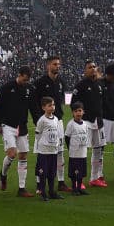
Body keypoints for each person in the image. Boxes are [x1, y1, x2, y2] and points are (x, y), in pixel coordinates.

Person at [0, 66, 35, 198]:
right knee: (12, 154)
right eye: (24, 79)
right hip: (8, 125)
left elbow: (32, 108)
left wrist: (37, 121)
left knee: (23, 156)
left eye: (27, 80)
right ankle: (3, 174)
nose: (25, 82)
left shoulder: (30, 89)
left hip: (22, 126)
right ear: (19, 75)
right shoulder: (7, 87)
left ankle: (21, 188)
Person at [31, 56, 68, 191]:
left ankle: (61, 181)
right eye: (54, 64)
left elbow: (60, 101)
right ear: (48, 66)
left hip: (58, 121)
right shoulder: (40, 82)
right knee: (41, 153)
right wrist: (38, 119)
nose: (57, 66)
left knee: (60, 151)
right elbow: (34, 103)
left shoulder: (61, 82)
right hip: (44, 122)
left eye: (58, 64)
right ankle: (39, 184)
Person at [71, 61, 104, 186]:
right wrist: (79, 119)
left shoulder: (99, 85)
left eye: (94, 67)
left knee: (98, 150)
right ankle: (78, 180)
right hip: (85, 122)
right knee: (81, 150)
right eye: (90, 67)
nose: (93, 69)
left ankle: (94, 178)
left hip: (98, 122)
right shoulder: (80, 85)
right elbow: (74, 103)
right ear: (85, 70)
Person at [34, 96, 64, 201]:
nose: (52, 107)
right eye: (49, 105)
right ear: (43, 108)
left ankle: (52, 191)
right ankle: (43, 192)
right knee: (43, 172)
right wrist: (43, 144)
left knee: (52, 173)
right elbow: (37, 134)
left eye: (53, 105)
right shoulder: (42, 120)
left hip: (53, 150)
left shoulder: (55, 119)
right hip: (44, 151)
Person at [99, 64, 114, 185]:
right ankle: (99, 174)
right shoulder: (100, 84)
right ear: (108, 74)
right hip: (103, 120)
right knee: (100, 147)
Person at [64, 102, 91, 195]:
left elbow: (86, 136)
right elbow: (67, 137)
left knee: (81, 172)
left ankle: (79, 187)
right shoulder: (71, 124)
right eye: (76, 111)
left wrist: (87, 146)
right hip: (74, 153)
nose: (78, 113)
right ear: (72, 113)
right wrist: (70, 148)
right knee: (74, 171)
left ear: (83, 112)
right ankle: (74, 188)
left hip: (82, 152)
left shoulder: (85, 124)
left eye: (80, 111)